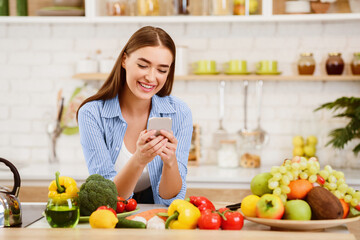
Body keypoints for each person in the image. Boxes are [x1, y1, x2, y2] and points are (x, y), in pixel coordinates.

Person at [76, 26, 193, 206]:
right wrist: (139, 159)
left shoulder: (180, 113)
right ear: (124, 60)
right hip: (113, 219)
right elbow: (108, 199)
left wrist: (171, 163)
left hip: (158, 222)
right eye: (143, 65)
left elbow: (172, 200)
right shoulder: (92, 114)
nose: (151, 77)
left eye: (162, 70)